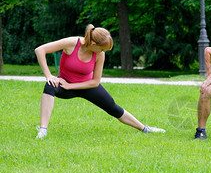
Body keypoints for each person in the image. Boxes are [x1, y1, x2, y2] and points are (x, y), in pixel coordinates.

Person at [34, 24, 165, 139]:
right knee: (50, 86)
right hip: (64, 83)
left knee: (113, 107)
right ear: (93, 44)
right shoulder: (72, 43)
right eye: (102, 49)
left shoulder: (99, 54)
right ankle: (43, 130)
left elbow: (95, 82)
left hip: (86, 85)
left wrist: (71, 86)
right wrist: (49, 75)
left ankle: (145, 128)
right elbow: (40, 50)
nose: (103, 52)